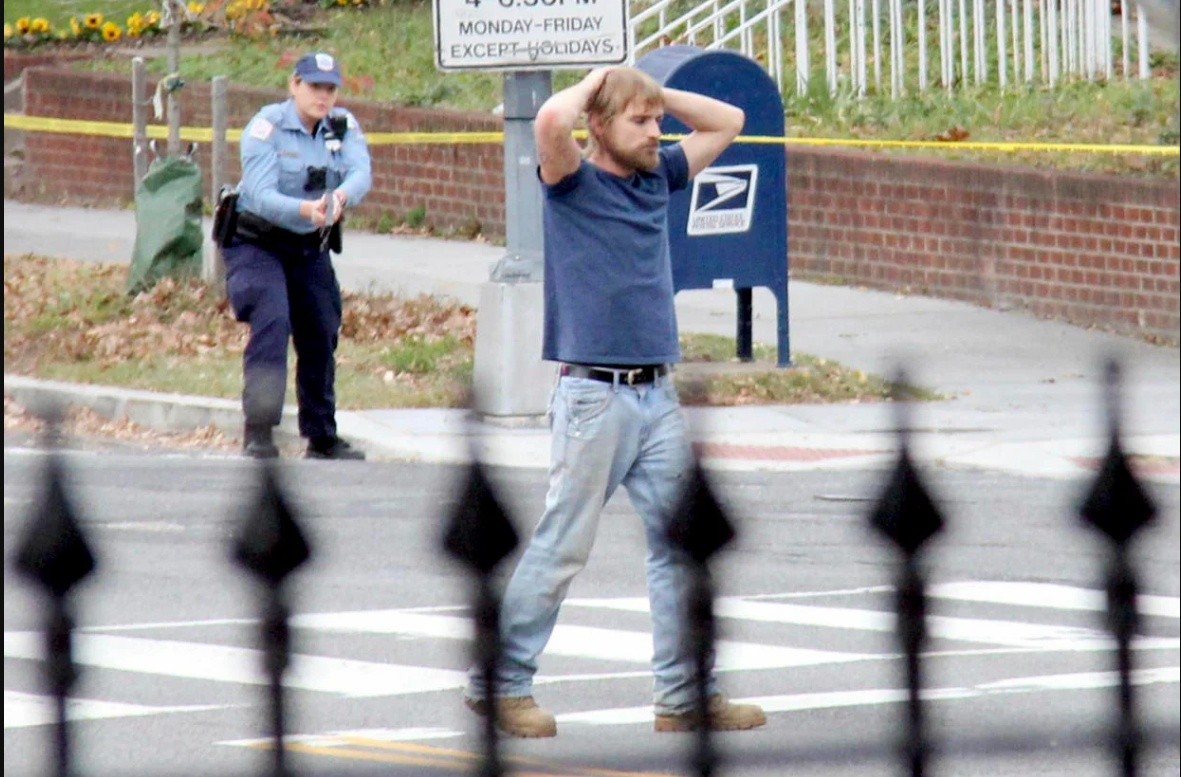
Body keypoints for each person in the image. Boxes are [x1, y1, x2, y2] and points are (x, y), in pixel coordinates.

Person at [464, 67, 766, 737]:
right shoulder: (571, 182)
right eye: (639, 121)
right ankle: (501, 683)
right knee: (562, 545)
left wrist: (652, 89)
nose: (656, 131)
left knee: (682, 545)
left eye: (656, 121)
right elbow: (548, 123)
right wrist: (597, 80)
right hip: (592, 397)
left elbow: (728, 123)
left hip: (656, 393)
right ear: (598, 126)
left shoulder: (658, 174)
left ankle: (684, 695)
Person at [222, 52, 371, 460]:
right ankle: (259, 431)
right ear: (294, 86)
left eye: (330, 88)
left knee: (321, 325)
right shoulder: (266, 127)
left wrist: (340, 196)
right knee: (273, 320)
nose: (323, 96)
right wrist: (309, 209)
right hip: (257, 242)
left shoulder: (341, 126)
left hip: (308, 245)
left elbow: (361, 172)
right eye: (314, 87)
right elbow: (261, 196)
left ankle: (321, 436)